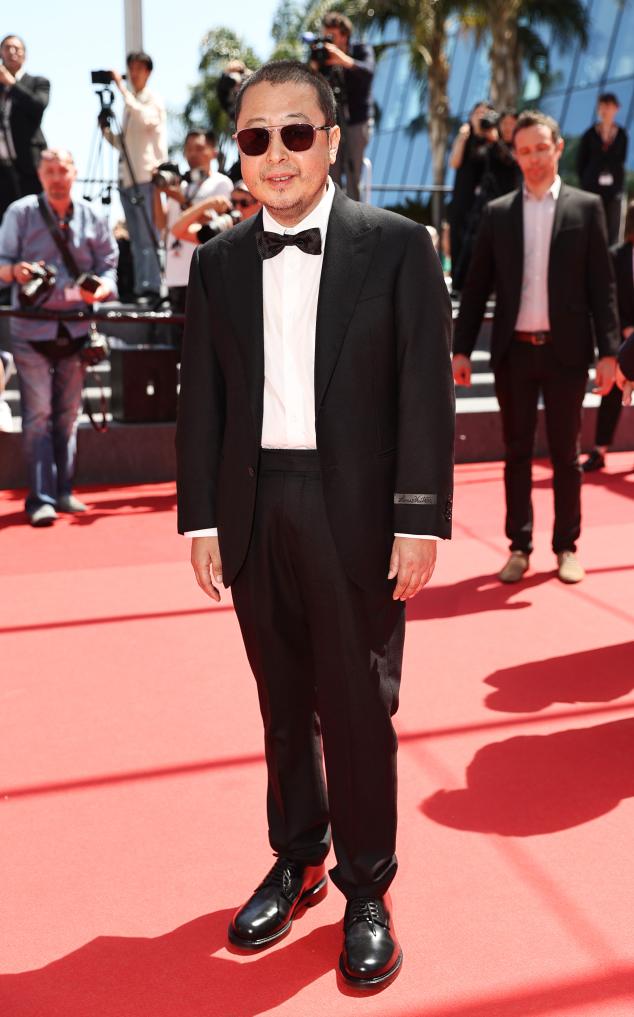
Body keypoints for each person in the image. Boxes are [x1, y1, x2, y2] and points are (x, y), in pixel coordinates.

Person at [176, 60, 454, 989]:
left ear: (332, 140)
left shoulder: (399, 246)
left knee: (359, 706)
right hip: (257, 509)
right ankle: (296, 857)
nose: (278, 154)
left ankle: (367, 886)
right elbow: (203, 404)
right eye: (256, 138)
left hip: (361, 514)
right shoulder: (217, 263)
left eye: (296, 132)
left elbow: (424, 392)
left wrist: (418, 519)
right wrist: (201, 518)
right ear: (238, 154)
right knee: (283, 700)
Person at [453, 110, 619, 585]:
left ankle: (566, 546)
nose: (533, 158)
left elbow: (602, 286)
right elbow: (477, 286)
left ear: (558, 148)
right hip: (515, 352)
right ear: (515, 154)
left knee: (566, 455)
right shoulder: (498, 212)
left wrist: (609, 352)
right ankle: (519, 546)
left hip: (567, 352)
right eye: (523, 151)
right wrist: (461, 349)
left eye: (541, 148)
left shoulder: (586, 208)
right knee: (516, 452)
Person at [0, 148, 117, 526]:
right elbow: (1, 263)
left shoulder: (92, 215)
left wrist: (101, 289)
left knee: (67, 416)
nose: (56, 178)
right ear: (39, 175)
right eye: (49, 171)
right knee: (38, 415)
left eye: (62, 170)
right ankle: (41, 498)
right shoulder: (20, 213)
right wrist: (16, 271)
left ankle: (64, 490)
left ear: (74, 173)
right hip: (31, 328)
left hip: (77, 327)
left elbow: (109, 267)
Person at [102, 51, 166, 302]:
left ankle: (153, 287)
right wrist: (105, 130)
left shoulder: (151, 99)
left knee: (149, 236)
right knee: (137, 239)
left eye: (139, 68)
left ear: (148, 72)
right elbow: (123, 144)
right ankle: (142, 288)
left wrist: (121, 88)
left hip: (146, 177)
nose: (134, 73)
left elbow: (147, 120)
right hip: (128, 178)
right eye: (131, 68)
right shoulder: (131, 103)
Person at [158, 130, 233, 325]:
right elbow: (161, 225)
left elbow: (212, 226)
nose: (193, 154)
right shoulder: (180, 186)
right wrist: (157, 191)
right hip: (175, 276)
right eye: (189, 149)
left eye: (199, 148)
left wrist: (181, 199)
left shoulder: (220, 183)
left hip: (204, 275)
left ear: (213, 152)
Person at [582, 199, 634, 472]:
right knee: (613, 393)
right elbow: (607, 299)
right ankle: (599, 449)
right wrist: (625, 328)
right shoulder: (616, 256)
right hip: (623, 339)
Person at [316, 12, 375, 201]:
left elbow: (368, 71)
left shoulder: (361, 49)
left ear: (344, 35)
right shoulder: (325, 60)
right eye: (325, 36)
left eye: (331, 36)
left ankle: (354, 212)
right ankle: (333, 211)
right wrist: (315, 65)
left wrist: (341, 59)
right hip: (333, 124)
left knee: (353, 175)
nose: (328, 41)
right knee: (331, 174)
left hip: (357, 123)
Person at [448, 102, 498, 292]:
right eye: (478, 113)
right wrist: (463, 136)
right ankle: (459, 284)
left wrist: (492, 135)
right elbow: (454, 162)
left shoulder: (492, 138)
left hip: (486, 200)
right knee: (460, 240)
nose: (481, 116)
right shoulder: (465, 137)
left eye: (485, 113)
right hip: (464, 198)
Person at [0, 34, 50, 219]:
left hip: (30, 166)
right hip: (3, 171)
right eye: (7, 48)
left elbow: (37, 105)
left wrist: (12, 83)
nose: (12, 52)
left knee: (35, 218)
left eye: (17, 48)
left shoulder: (38, 82)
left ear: (24, 55)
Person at [577, 92, 628, 246]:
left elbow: (621, 160)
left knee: (613, 233)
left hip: (614, 191)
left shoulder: (622, 135)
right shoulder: (589, 134)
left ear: (616, 108)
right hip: (592, 189)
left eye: (608, 106)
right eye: (601, 107)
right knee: (591, 229)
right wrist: (586, 182)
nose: (604, 110)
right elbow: (581, 162)